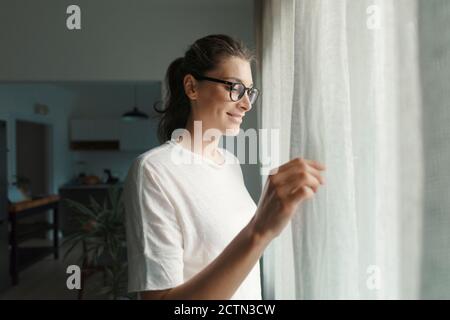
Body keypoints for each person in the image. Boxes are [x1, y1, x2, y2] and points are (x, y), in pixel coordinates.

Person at [123, 34, 326, 300]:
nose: (246, 104)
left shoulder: (230, 164)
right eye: (234, 87)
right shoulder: (153, 171)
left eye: (249, 91)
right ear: (192, 87)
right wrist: (259, 231)